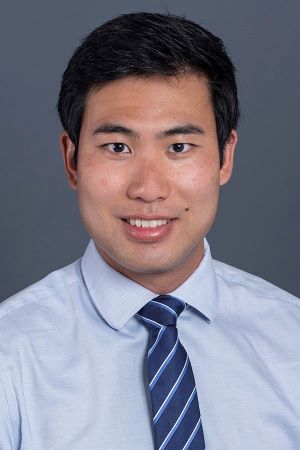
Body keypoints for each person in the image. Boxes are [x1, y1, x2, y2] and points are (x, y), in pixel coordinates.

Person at [0, 12, 299, 450]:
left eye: (179, 147)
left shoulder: (293, 340)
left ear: (225, 157)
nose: (148, 189)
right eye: (117, 147)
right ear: (72, 160)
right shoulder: (10, 357)